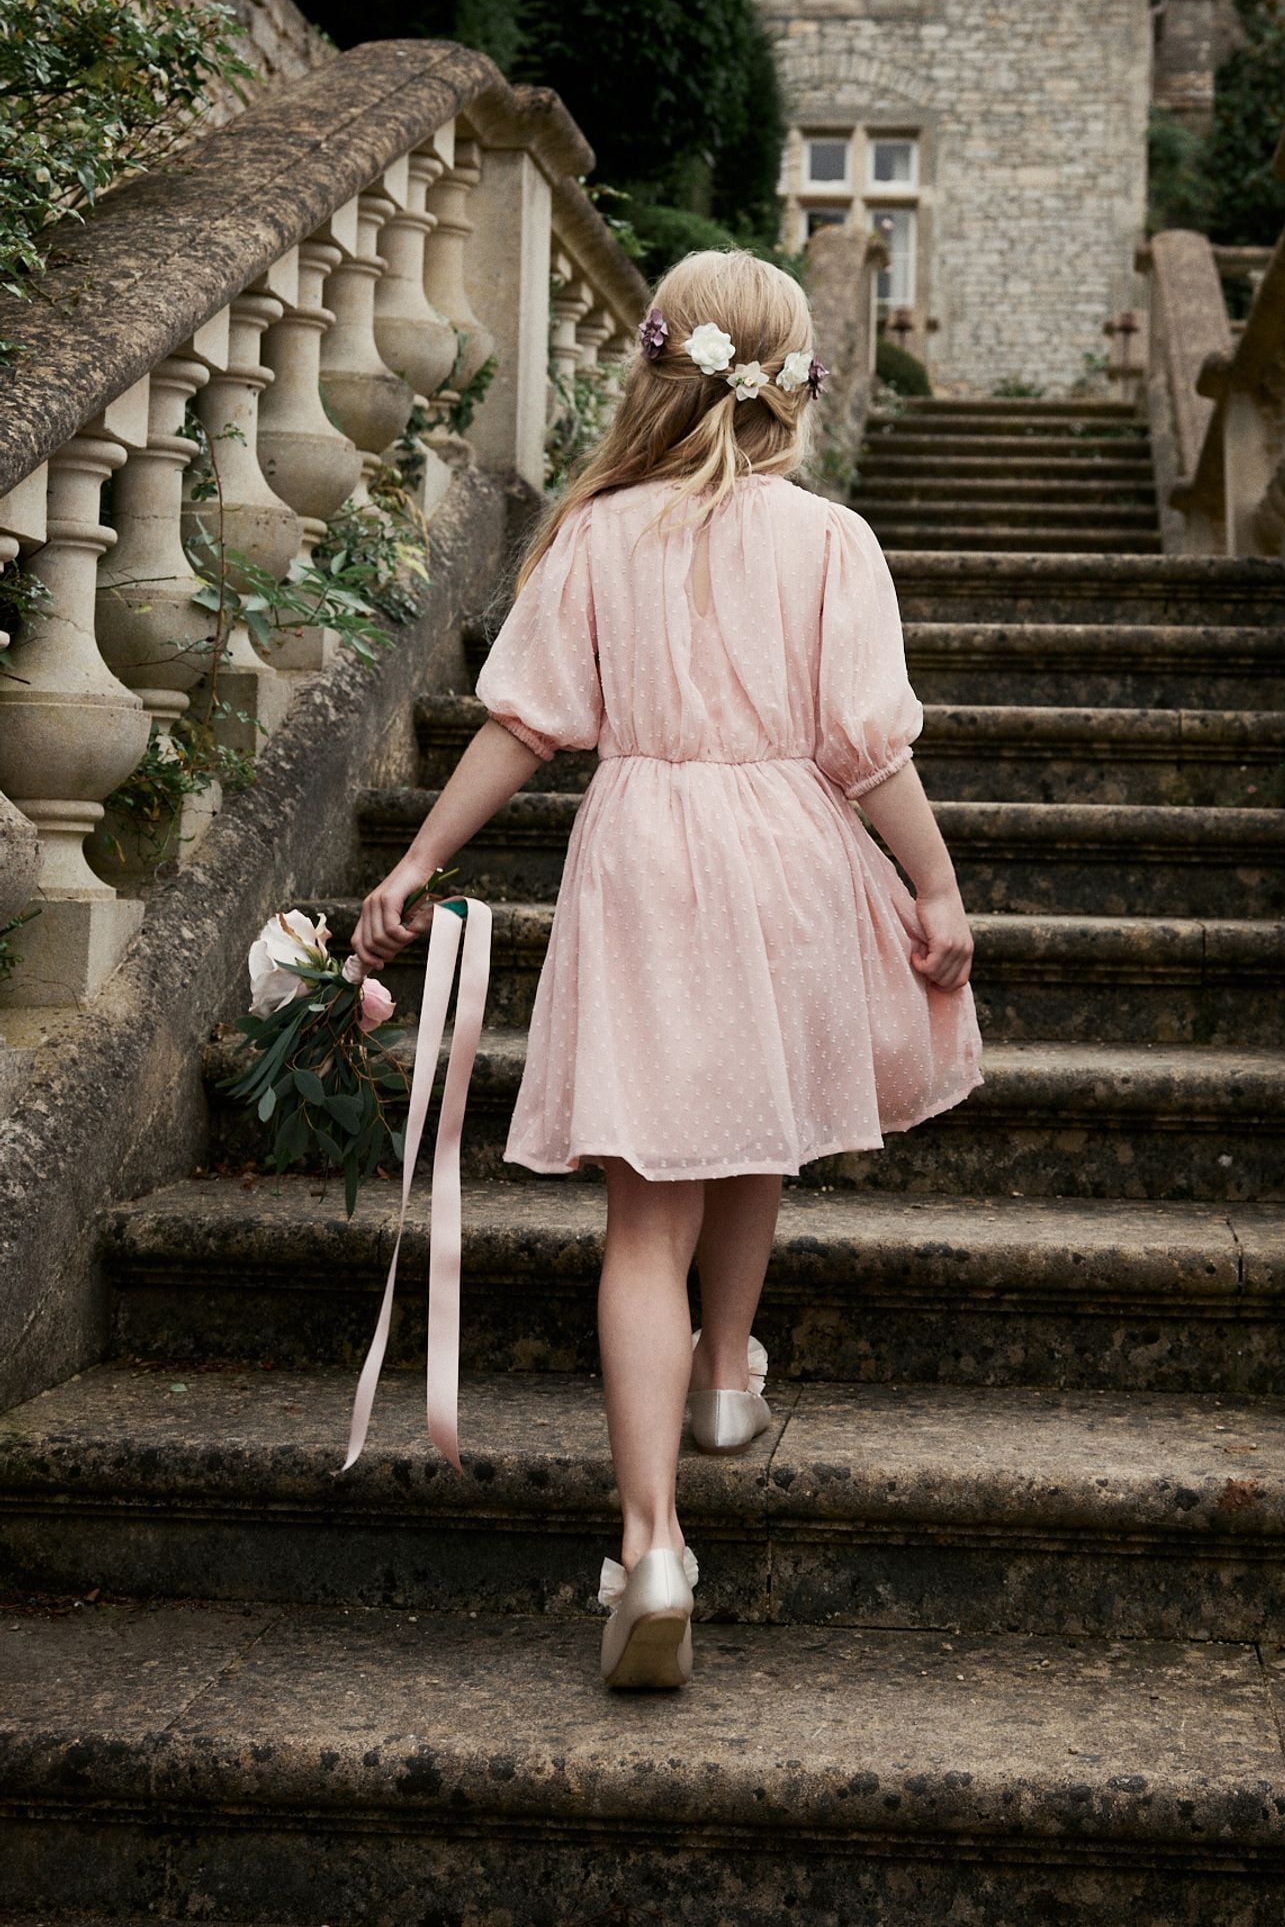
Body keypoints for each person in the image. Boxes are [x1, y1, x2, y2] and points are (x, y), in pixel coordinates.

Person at [353, 249, 981, 1692]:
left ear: (654, 369)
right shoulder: (830, 543)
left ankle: (650, 1545)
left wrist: (417, 864)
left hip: (642, 850)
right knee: (752, 1117)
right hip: (787, 850)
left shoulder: (598, 535)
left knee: (648, 1217)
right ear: (793, 384)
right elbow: (871, 749)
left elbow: (522, 723)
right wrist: (936, 889)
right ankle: (725, 1379)